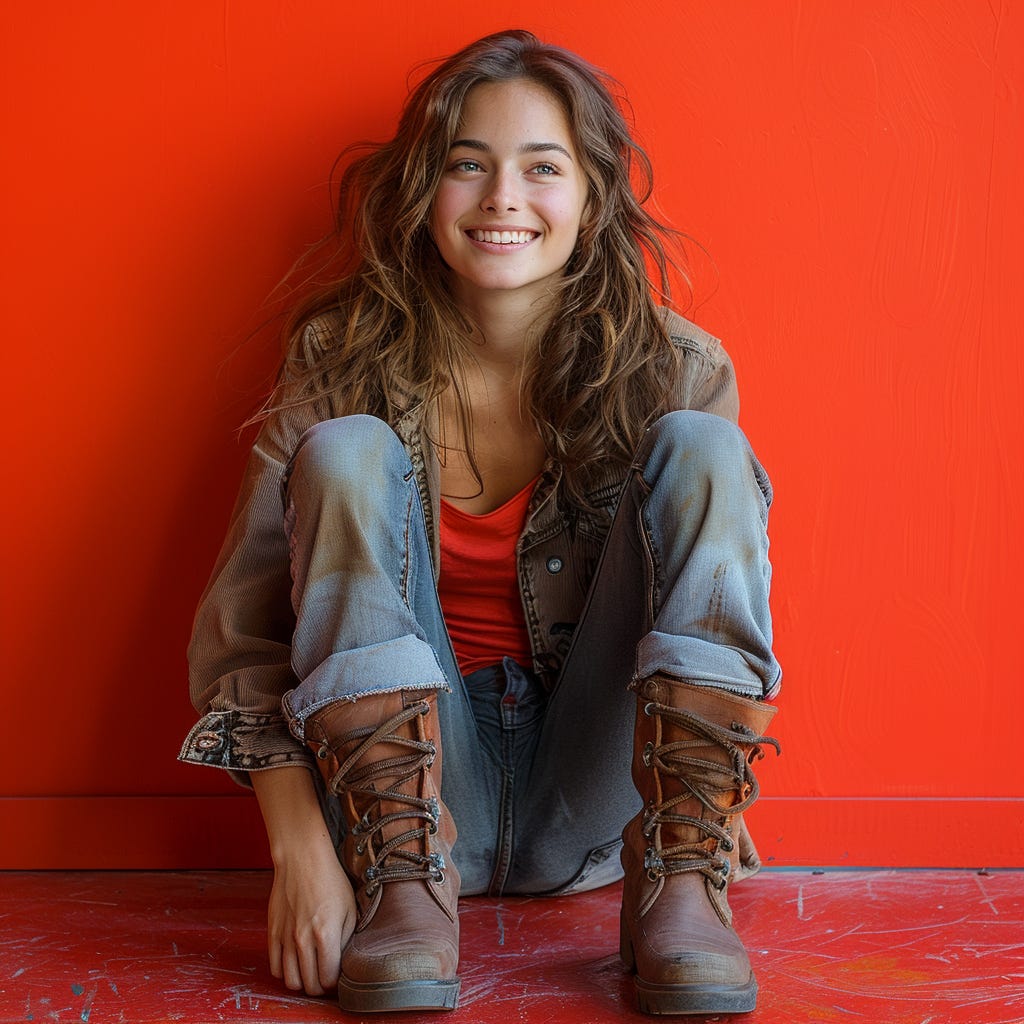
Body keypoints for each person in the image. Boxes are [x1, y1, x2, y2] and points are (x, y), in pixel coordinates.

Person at [180, 28, 781, 1017]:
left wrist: (703, 808)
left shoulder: (678, 365)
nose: (503, 195)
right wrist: (301, 850)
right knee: (347, 450)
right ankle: (408, 898)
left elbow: (712, 592)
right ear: (425, 194)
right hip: (399, 806)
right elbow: (245, 635)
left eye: (541, 168)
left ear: (590, 201)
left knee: (705, 448)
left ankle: (677, 888)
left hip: (592, 790)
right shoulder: (339, 357)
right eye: (469, 164)